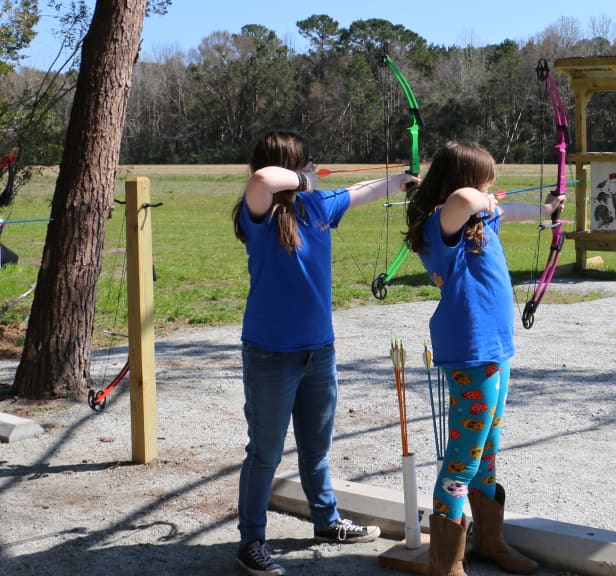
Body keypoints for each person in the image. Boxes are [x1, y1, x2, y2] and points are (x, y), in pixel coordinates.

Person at [231, 129, 418, 576]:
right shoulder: (256, 212)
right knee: (265, 453)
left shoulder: (317, 207)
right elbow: (261, 180)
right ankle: (251, 541)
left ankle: (327, 521)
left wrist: (404, 181)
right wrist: (305, 180)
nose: (314, 166)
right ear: (292, 164)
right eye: (307, 161)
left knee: (316, 448)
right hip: (271, 353)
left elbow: (366, 190)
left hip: (320, 349)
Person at [404, 141, 562, 576]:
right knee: (464, 456)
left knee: (487, 448)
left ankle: (489, 540)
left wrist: (546, 212)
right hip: (471, 351)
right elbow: (465, 199)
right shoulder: (443, 223)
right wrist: (485, 196)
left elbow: (503, 210)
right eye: (487, 180)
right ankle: (446, 564)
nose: (493, 191)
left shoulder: (479, 219)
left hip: (494, 348)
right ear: (467, 181)